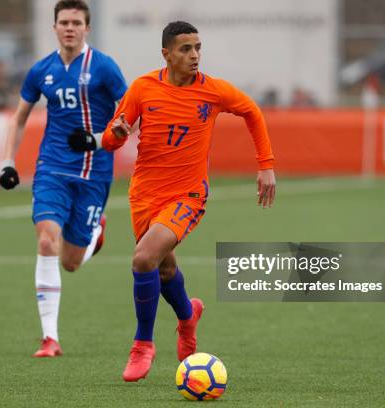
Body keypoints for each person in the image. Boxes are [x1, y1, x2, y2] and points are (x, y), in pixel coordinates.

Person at [71, 21, 276, 382]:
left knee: (143, 257)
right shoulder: (143, 88)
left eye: (198, 47)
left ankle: (142, 345)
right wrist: (117, 134)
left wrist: (266, 167)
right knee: (163, 270)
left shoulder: (214, 91)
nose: (194, 55)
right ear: (166, 54)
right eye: (185, 49)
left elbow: (252, 113)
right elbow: (111, 137)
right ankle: (187, 316)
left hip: (188, 194)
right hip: (144, 195)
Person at [0, 0, 127, 358]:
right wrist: (8, 162)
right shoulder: (42, 70)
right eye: (63, 22)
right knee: (45, 243)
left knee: (70, 262)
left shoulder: (104, 67)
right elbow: (19, 118)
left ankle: (94, 234)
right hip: (52, 169)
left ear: (87, 28)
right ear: (54, 27)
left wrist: (98, 140)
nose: (69, 28)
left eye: (76, 22)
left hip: (95, 173)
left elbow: (130, 117)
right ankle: (50, 338)